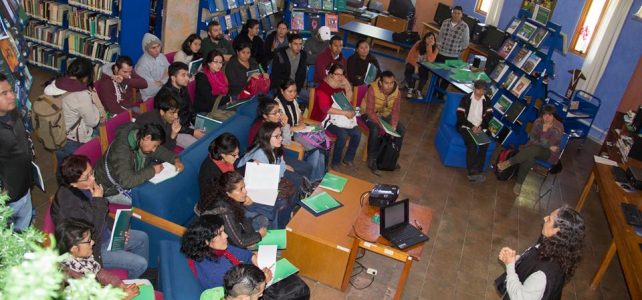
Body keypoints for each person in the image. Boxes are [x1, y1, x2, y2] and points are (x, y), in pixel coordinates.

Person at [53, 155, 150, 278]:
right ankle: (130, 285)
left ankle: (146, 273)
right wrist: (98, 200)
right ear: (74, 184)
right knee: (140, 264)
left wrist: (118, 232)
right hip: (94, 248)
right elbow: (92, 234)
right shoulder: (69, 206)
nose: (93, 178)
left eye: (91, 172)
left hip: (106, 235)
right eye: (87, 177)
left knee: (142, 238)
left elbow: (103, 217)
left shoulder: (85, 187)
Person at [180, 215, 310, 298]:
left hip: (249, 279)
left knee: (293, 280)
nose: (225, 235)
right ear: (206, 241)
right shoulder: (216, 272)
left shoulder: (215, 248)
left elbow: (245, 255)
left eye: (223, 231)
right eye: (220, 234)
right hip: (248, 292)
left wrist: (253, 258)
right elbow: (242, 293)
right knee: (298, 290)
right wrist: (263, 280)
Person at [496, 206, 585, 300]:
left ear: (556, 231)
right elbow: (533, 258)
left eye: (549, 219)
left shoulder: (542, 275)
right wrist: (515, 259)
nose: (545, 218)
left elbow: (519, 297)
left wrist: (510, 266)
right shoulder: (557, 248)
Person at [94, 123, 184, 205]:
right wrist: (152, 170)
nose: (154, 149)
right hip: (110, 190)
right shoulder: (121, 151)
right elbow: (127, 182)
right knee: (147, 203)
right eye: (154, 145)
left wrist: (175, 160)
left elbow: (160, 152)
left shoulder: (140, 137)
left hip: (129, 176)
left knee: (158, 193)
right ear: (147, 138)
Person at [55, 218, 140, 299]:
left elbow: (99, 272)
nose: (93, 242)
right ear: (74, 248)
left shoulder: (82, 260)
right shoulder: (70, 283)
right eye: (88, 240)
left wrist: (119, 284)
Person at [45, 58, 106, 165]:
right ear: (87, 76)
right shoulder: (81, 95)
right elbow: (92, 122)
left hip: (55, 135)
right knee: (78, 170)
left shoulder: (55, 84)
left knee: (62, 168)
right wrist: (94, 105)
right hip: (73, 140)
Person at [237, 122, 298, 228]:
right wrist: (275, 175)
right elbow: (265, 180)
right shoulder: (260, 154)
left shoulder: (275, 147)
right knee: (281, 201)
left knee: (292, 188)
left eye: (281, 135)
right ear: (266, 137)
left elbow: (281, 165)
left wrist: (275, 175)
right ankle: (278, 228)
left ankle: (285, 222)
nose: (281, 139)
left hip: (266, 183)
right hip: (250, 189)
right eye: (277, 136)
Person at [497, 105, 564, 195]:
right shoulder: (538, 122)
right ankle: (519, 184)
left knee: (533, 150)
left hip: (549, 153)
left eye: (550, 115)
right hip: (533, 149)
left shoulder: (558, 127)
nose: (547, 118)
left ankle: (509, 162)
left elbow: (550, 144)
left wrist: (544, 133)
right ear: (541, 115)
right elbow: (532, 138)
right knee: (530, 158)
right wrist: (546, 144)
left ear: (553, 115)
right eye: (544, 115)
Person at [248, 97, 319, 182]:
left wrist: (285, 125)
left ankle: (306, 188)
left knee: (307, 167)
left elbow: (286, 142)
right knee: (297, 179)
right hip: (268, 163)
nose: (278, 115)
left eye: (279, 111)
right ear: (265, 116)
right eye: (274, 113)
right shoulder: (259, 129)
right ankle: (302, 190)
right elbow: (264, 158)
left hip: (279, 157)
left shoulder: (276, 122)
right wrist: (283, 166)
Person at [195, 171, 271, 248]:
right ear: (228, 193)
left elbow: (241, 219)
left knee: (263, 219)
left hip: (237, 229)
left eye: (244, 187)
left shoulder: (228, 199)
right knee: (264, 224)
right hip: (227, 243)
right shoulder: (225, 212)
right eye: (241, 189)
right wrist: (259, 235)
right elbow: (240, 241)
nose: (245, 191)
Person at [0, 73, 33, 231]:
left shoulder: (13, 112)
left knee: (24, 228)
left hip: (24, 186)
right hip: (8, 199)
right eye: (4, 94)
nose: (12, 96)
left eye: (11, 91)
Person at [274, 82, 327, 181]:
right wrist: (296, 128)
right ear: (282, 91)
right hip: (288, 136)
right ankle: (311, 180)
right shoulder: (277, 107)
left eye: (294, 91)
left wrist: (302, 124)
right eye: (290, 91)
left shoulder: (293, 101)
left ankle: (318, 178)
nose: (293, 94)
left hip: (299, 132)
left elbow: (300, 116)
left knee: (320, 148)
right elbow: (278, 129)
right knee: (316, 150)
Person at [310, 63, 359, 168]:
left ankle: (348, 158)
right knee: (342, 135)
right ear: (331, 74)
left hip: (337, 117)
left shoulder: (340, 85)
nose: (340, 77)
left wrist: (347, 86)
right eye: (337, 74)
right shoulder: (323, 87)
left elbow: (348, 100)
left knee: (357, 133)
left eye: (342, 75)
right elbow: (325, 108)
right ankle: (335, 163)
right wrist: (346, 113)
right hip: (324, 118)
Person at [361, 71, 403, 173]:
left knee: (400, 129)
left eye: (391, 83)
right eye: (386, 83)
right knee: (375, 129)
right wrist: (382, 125)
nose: (389, 86)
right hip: (368, 113)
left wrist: (393, 124)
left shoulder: (397, 92)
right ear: (380, 82)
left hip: (384, 115)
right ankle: (371, 159)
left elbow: (395, 111)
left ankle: (390, 158)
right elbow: (370, 111)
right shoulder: (373, 89)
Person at [155, 62, 205, 148]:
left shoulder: (182, 88)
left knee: (209, 135)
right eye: (183, 75)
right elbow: (169, 123)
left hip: (186, 125)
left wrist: (198, 122)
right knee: (200, 146)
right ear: (173, 78)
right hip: (174, 130)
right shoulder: (165, 96)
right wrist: (192, 132)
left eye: (187, 75)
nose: (187, 78)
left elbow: (190, 109)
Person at [456, 80, 492, 183]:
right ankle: (472, 173)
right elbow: (460, 115)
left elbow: (489, 116)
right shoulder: (466, 99)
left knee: (484, 144)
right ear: (474, 88)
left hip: (481, 127)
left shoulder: (487, 100)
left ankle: (477, 170)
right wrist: (471, 126)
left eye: (483, 91)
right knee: (472, 144)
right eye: (478, 90)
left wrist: (481, 126)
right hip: (466, 126)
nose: (480, 93)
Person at [435, 6, 469, 99]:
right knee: (436, 73)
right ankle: (434, 90)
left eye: (458, 13)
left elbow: (465, 43)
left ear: (461, 15)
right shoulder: (445, 22)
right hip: (441, 53)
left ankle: (440, 93)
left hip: (453, 56)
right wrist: (438, 45)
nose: (456, 15)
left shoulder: (464, 26)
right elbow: (440, 35)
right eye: (454, 12)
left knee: (446, 76)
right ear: (451, 13)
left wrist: (458, 49)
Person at [199, 133, 241, 198]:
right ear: (223, 154)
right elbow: (214, 197)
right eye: (234, 155)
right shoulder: (210, 172)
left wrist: (251, 163)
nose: (237, 157)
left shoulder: (227, 159)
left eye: (238, 153)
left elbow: (234, 175)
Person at [135, 32, 170, 100]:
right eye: (153, 48)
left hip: (166, 91)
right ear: (147, 49)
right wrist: (164, 80)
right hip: (152, 98)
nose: (157, 50)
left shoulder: (161, 56)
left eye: (158, 46)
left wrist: (160, 82)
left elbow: (171, 71)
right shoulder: (142, 66)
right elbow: (149, 90)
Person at [404, 32, 438, 99]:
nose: (430, 40)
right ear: (424, 38)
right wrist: (416, 66)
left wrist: (429, 47)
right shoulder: (418, 43)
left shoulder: (434, 48)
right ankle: (410, 88)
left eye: (432, 38)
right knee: (408, 68)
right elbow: (411, 56)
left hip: (423, 66)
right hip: (412, 62)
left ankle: (419, 90)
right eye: (428, 38)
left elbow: (430, 60)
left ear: (434, 40)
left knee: (425, 73)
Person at [195, 50, 229, 114]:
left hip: (216, 104)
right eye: (216, 62)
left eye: (221, 62)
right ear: (209, 63)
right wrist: (227, 99)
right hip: (204, 109)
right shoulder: (202, 77)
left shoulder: (219, 74)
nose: (219, 65)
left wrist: (226, 98)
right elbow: (211, 101)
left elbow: (224, 90)